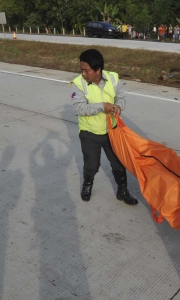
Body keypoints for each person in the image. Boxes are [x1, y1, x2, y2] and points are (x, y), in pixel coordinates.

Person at [70, 49, 138, 205]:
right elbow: (80, 108)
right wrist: (102, 106)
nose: (83, 74)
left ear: (98, 70)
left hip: (112, 131)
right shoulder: (78, 84)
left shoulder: (113, 78)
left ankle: (123, 191)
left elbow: (121, 97)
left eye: (86, 70)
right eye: (82, 69)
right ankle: (87, 185)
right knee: (91, 165)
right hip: (90, 133)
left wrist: (119, 106)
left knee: (118, 162)